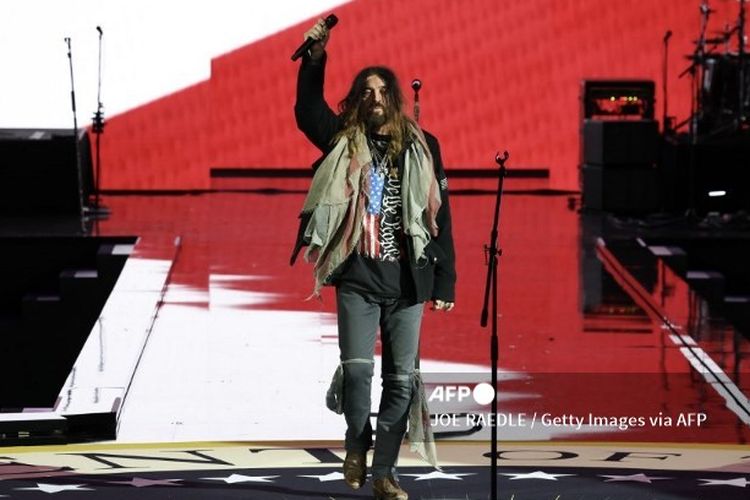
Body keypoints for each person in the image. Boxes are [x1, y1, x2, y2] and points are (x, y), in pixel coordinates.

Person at [290, 18, 456, 500]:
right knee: (359, 371)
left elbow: (440, 217)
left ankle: (385, 472)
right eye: (367, 91)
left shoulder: (426, 148)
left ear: (396, 99)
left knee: (401, 381)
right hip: (359, 277)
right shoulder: (341, 140)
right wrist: (315, 61)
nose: (376, 98)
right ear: (358, 99)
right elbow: (306, 111)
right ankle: (356, 442)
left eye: (383, 91)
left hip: (409, 282)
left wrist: (445, 282)